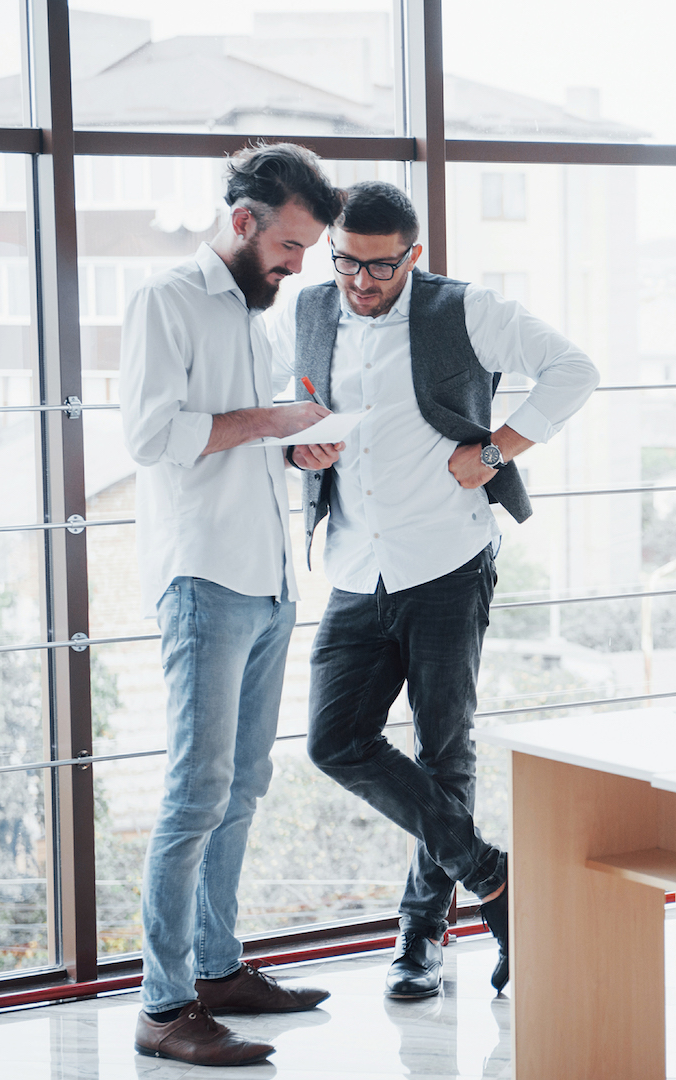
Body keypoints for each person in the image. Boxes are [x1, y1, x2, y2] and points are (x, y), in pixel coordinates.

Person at [268, 180, 599, 1000]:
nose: (360, 281)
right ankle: (499, 882)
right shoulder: (306, 314)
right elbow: (278, 402)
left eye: (380, 267)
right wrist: (296, 447)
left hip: (448, 561)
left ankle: (420, 938)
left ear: (413, 255)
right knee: (335, 741)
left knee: (444, 753)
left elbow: (573, 370)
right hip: (352, 566)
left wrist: (496, 451)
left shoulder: (462, 309)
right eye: (347, 261)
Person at [120, 142, 344, 1067]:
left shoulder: (260, 317)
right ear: (245, 223)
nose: (298, 268)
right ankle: (164, 1006)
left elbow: (249, 436)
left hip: (269, 576)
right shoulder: (165, 300)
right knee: (194, 793)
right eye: (290, 248)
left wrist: (300, 450)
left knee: (243, 788)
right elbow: (150, 434)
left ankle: (217, 970)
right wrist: (273, 424)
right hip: (204, 579)